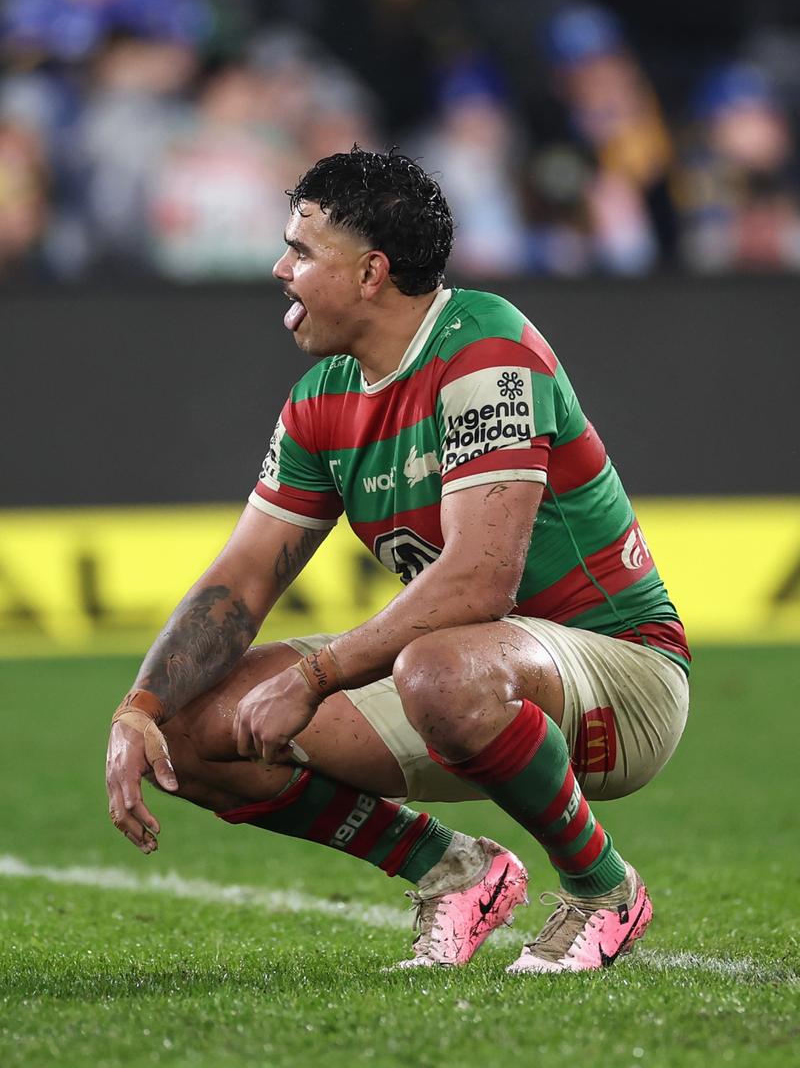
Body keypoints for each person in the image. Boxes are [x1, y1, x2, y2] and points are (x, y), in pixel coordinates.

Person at [106, 147, 691, 973]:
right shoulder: (321, 401)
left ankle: (604, 891)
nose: (280, 268)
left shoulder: (485, 348)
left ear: (372, 271)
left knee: (439, 668)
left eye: (302, 251)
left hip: (624, 678)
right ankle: (455, 872)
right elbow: (239, 581)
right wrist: (139, 706)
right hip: (467, 670)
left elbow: (479, 579)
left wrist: (314, 677)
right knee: (194, 729)